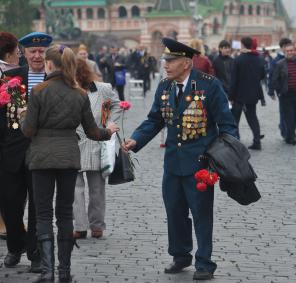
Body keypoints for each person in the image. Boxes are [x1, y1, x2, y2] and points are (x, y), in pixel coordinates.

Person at [122, 37, 237, 281]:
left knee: (201, 214)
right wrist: (136, 140)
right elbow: (155, 119)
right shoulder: (165, 86)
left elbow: (227, 125)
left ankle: (204, 262)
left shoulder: (209, 86)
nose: (165, 64)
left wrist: (226, 158)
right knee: (174, 211)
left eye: (170, 60)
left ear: (186, 63)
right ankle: (181, 254)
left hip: (201, 164)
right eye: (165, 60)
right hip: (173, 163)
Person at [20, 44, 119, 282]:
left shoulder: (39, 91)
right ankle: (64, 271)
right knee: (65, 214)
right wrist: (109, 132)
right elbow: (93, 132)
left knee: (43, 214)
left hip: (41, 158)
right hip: (69, 157)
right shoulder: (80, 94)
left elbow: (29, 130)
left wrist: (23, 115)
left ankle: (47, 271)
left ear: (50, 64)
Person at [0, 31, 52, 273]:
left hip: (42, 154)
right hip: (11, 153)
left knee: (38, 208)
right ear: (25, 53)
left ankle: (35, 253)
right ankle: (14, 246)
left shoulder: (55, 80)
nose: (37, 56)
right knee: (9, 205)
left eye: (42, 51)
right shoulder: (10, 77)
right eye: (33, 51)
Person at [73, 58, 121, 240]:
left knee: (97, 189)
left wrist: (109, 122)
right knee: (74, 189)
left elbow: (116, 104)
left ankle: (97, 225)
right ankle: (80, 226)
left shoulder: (102, 88)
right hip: (74, 143)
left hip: (96, 142)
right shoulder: (66, 88)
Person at [0, 31, 22, 241]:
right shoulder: (6, 75)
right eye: (18, 52)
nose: (20, 55)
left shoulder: (16, 72)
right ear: (8, 55)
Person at [229, 37, 265, 150]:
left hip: (239, 95)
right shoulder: (259, 59)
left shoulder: (238, 60)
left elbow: (233, 80)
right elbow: (263, 75)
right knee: (253, 118)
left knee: (235, 120)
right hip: (253, 94)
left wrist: (231, 97)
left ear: (243, 45)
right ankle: (257, 141)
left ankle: (236, 143)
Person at [271, 42, 296, 145]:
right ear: (284, 52)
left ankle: (289, 134)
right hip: (286, 94)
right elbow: (275, 79)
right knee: (289, 117)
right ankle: (292, 137)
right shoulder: (280, 64)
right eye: (287, 51)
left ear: (295, 51)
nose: (290, 53)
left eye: (291, 50)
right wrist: (277, 91)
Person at [268, 38, 292, 139]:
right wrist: (271, 91)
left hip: (293, 89)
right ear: (282, 48)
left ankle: (286, 128)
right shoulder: (276, 61)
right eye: (286, 47)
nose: (289, 49)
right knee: (283, 111)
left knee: (292, 112)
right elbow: (271, 76)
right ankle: (285, 131)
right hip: (282, 90)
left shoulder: (294, 58)